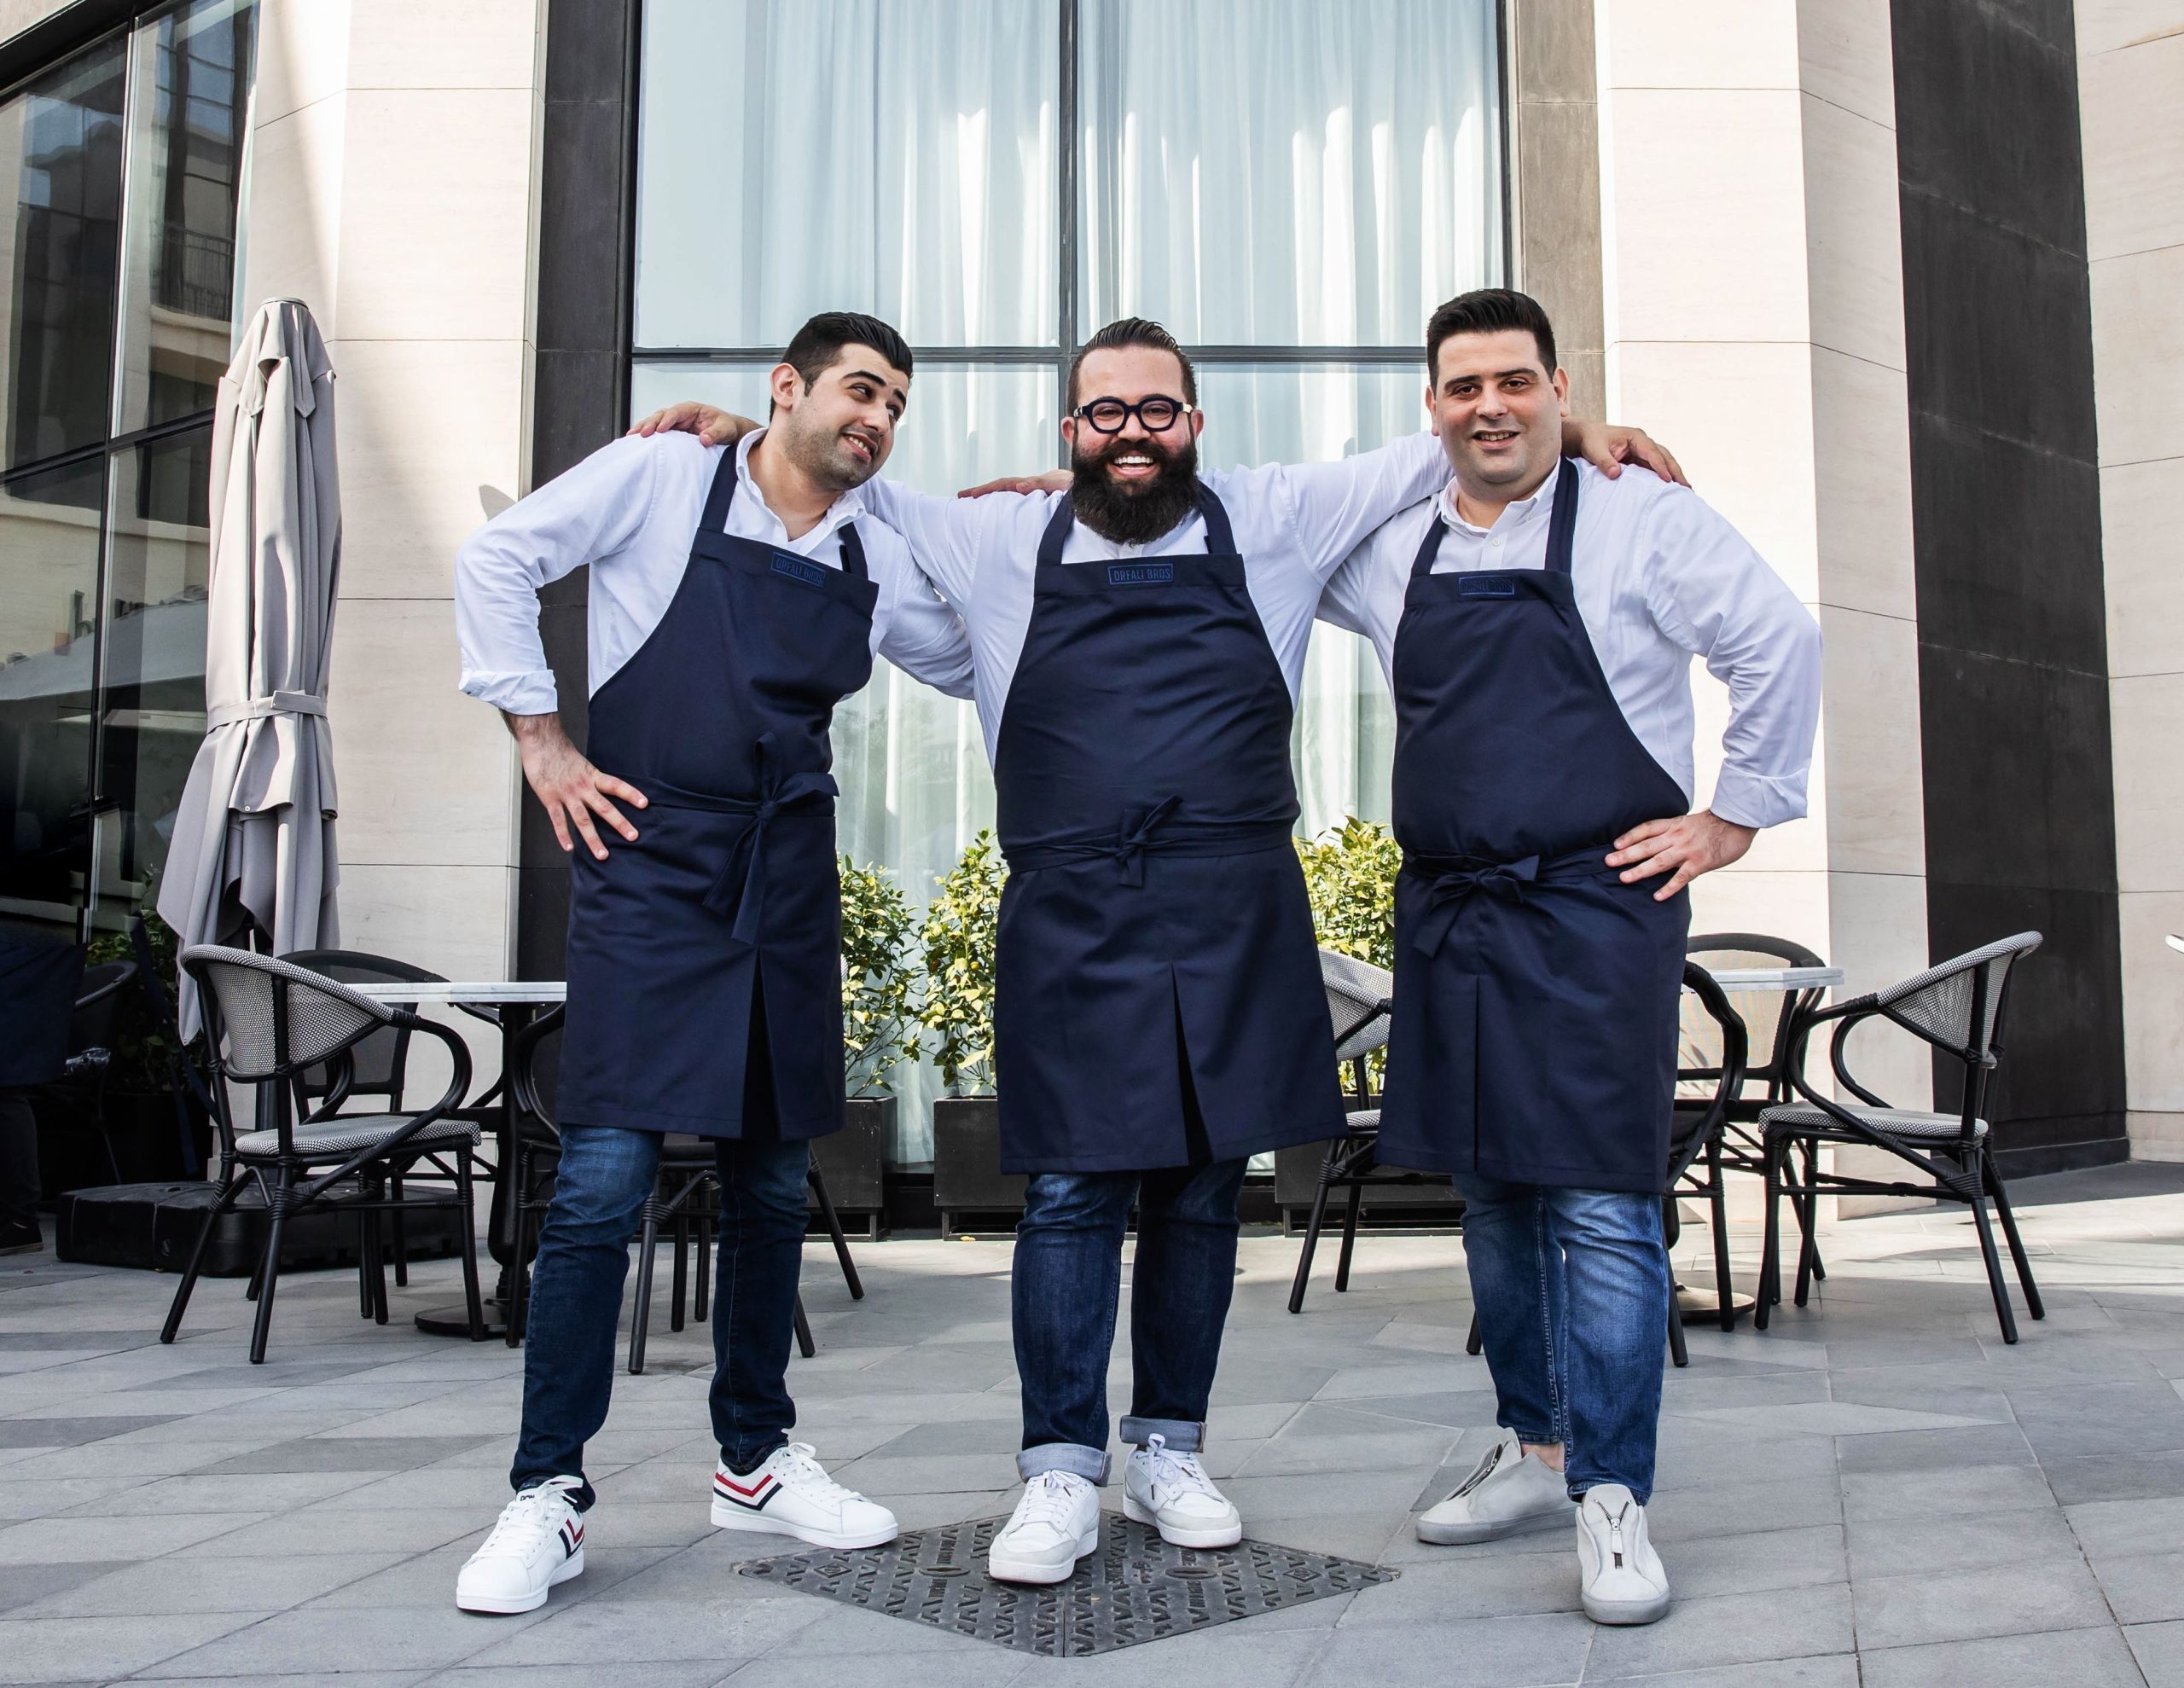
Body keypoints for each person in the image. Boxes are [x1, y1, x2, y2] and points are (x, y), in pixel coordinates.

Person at [635, 324, 1676, 1586]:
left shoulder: (1277, 519)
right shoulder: (997, 538)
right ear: (1068, 433)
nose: (1134, 434)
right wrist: (737, 437)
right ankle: (1060, 1472)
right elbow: (841, 475)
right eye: (1106, 415)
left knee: (1199, 1191)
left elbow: (1447, 445)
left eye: (1158, 412)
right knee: (1072, 1194)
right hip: (1074, 909)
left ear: (1196, 423)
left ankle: (1170, 1450)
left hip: (1234, 903)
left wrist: (1580, 431)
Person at [449, 312, 974, 1615]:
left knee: (771, 1177)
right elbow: (496, 560)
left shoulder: (872, 545)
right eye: (862, 392)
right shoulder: (664, 475)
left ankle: (754, 1456)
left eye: (897, 404)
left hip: (788, 869)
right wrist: (542, 744)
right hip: (648, 855)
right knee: (602, 1184)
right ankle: (548, 1491)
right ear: (786, 387)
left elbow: (969, 660)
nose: (880, 417)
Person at [1318, 287, 1821, 1626]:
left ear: (1556, 387)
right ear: (1431, 406)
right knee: (1490, 1192)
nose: (1491, 405)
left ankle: (1612, 1492)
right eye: (1465, 385)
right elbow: (1229, 537)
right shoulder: (1388, 546)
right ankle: (1536, 1449)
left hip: (1599, 905)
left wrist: (1733, 819)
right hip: (1454, 913)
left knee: (1601, 1201)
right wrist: (1057, 492)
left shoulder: (1639, 517)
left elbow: (1780, 641)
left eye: (1518, 382)